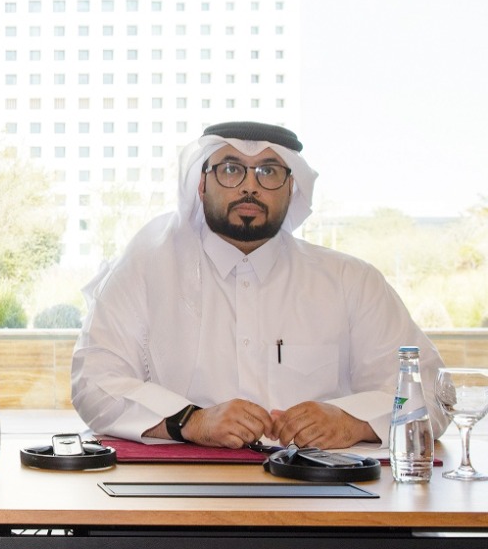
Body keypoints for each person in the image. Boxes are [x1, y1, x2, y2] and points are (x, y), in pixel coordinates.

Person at [71, 121, 449, 449]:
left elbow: (433, 394)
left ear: (292, 189)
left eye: (269, 172)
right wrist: (191, 422)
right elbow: (94, 383)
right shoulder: (144, 273)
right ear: (201, 184)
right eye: (231, 169)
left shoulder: (352, 282)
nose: (249, 187)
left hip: (323, 505)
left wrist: (353, 421)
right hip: (182, 502)